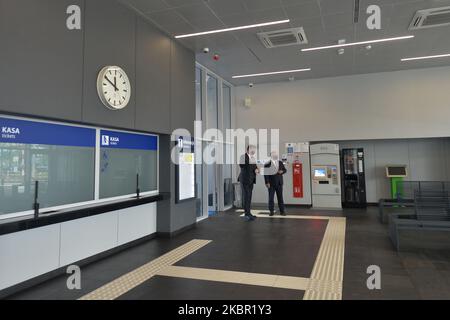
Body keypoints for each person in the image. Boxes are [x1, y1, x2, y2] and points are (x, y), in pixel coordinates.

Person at [239, 145, 259, 221]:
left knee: (249, 196)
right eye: (252, 150)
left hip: (251, 180)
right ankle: (246, 214)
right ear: (248, 150)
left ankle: (249, 213)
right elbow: (241, 165)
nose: (253, 152)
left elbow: (255, 167)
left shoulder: (253, 158)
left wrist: (257, 169)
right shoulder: (243, 157)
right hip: (245, 179)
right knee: (246, 196)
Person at [264, 151, 287, 216]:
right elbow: (265, 174)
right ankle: (271, 211)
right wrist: (267, 182)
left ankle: (282, 211)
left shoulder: (280, 162)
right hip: (271, 184)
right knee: (271, 198)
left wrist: (282, 171)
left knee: (280, 198)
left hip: (279, 183)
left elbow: (285, 170)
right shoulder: (267, 164)